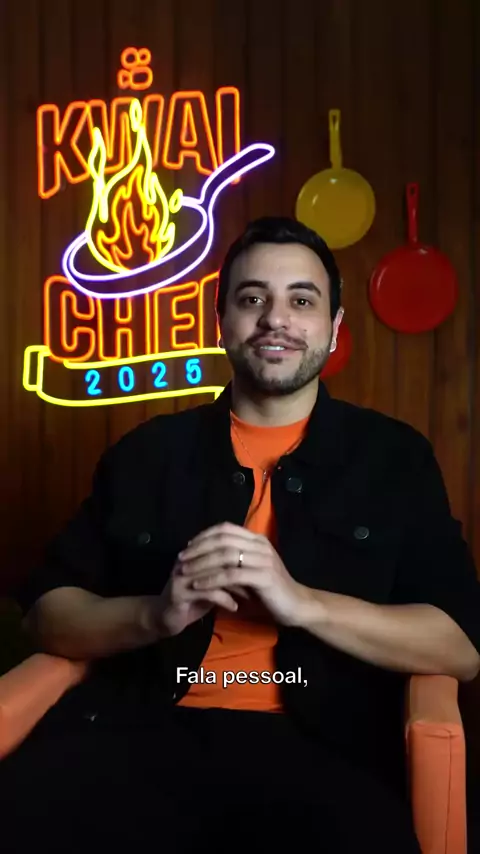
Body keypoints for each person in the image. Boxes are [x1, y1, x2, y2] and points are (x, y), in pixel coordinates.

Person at [2, 216, 480, 854]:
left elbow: (459, 645)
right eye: (253, 298)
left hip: (325, 746)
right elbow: (47, 615)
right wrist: (154, 614)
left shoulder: (395, 459)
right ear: (221, 319)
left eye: (302, 301)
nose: (275, 319)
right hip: (141, 728)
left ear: (334, 325)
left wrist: (303, 603)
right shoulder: (147, 455)